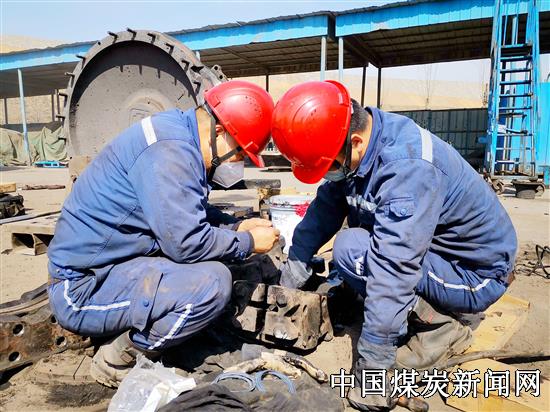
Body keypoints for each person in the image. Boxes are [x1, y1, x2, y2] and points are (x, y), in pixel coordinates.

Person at [271, 80, 517, 410]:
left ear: (355, 143)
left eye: (329, 167)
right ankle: (406, 316)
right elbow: (324, 210)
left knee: (353, 249)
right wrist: (290, 276)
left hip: (473, 274)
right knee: (355, 248)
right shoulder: (358, 145)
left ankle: (441, 328)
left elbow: (394, 269)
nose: (328, 175)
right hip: (433, 255)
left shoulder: (407, 167)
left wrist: (373, 370)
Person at [47, 80, 280, 388]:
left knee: (214, 266)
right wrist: (248, 242)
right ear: (220, 133)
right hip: (83, 289)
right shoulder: (171, 153)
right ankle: (119, 358)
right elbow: (186, 244)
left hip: (112, 265)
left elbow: (186, 210)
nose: (238, 164)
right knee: (211, 285)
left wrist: (236, 227)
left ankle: (138, 326)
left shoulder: (179, 134)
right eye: (240, 155)